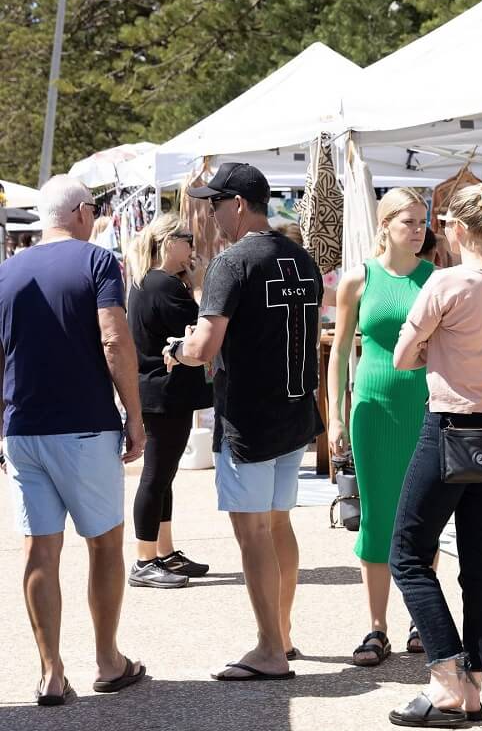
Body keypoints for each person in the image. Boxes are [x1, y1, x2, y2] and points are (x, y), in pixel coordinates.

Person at [161, 162, 323, 680]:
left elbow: (205, 345)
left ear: (237, 203)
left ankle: (271, 648)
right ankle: (283, 633)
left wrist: (178, 351)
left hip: (251, 418)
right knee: (277, 524)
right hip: (294, 411)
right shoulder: (302, 259)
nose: (209, 215)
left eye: (213, 204)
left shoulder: (232, 264)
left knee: (253, 531)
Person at [0, 175, 146, 705]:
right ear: (84, 212)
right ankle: (108, 660)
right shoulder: (98, 261)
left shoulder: (6, 271)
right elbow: (114, 338)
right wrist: (134, 413)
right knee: (104, 544)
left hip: (23, 429)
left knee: (39, 549)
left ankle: (50, 672)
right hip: (84, 426)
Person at [388, 181, 482, 728]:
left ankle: (446, 676)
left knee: (407, 553)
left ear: (460, 228)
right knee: (478, 560)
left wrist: (431, 345)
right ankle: (472, 681)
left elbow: (401, 356)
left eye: (444, 224)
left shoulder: (446, 281)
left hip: (449, 426)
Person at [328, 188, 433, 665]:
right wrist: (333, 415)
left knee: (422, 517)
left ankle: (420, 618)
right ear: (386, 224)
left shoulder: (436, 278)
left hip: (423, 406)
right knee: (375, 517)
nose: (419, 230)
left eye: (422, 222)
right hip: (372, 408)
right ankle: (376, 628)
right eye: (409, 222)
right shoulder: (359, 279)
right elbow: (339, 350)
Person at [126, 214, 213, 589]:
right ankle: (145, 559)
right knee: (156, 475)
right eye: (187, 239)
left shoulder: (147, 282)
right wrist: (200, 283)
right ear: (167, 242)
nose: (192, 246)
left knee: (163, 475)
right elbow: (202, 328)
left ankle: (163, 550)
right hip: (164, 391)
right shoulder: (165, 285)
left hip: (158, 389)